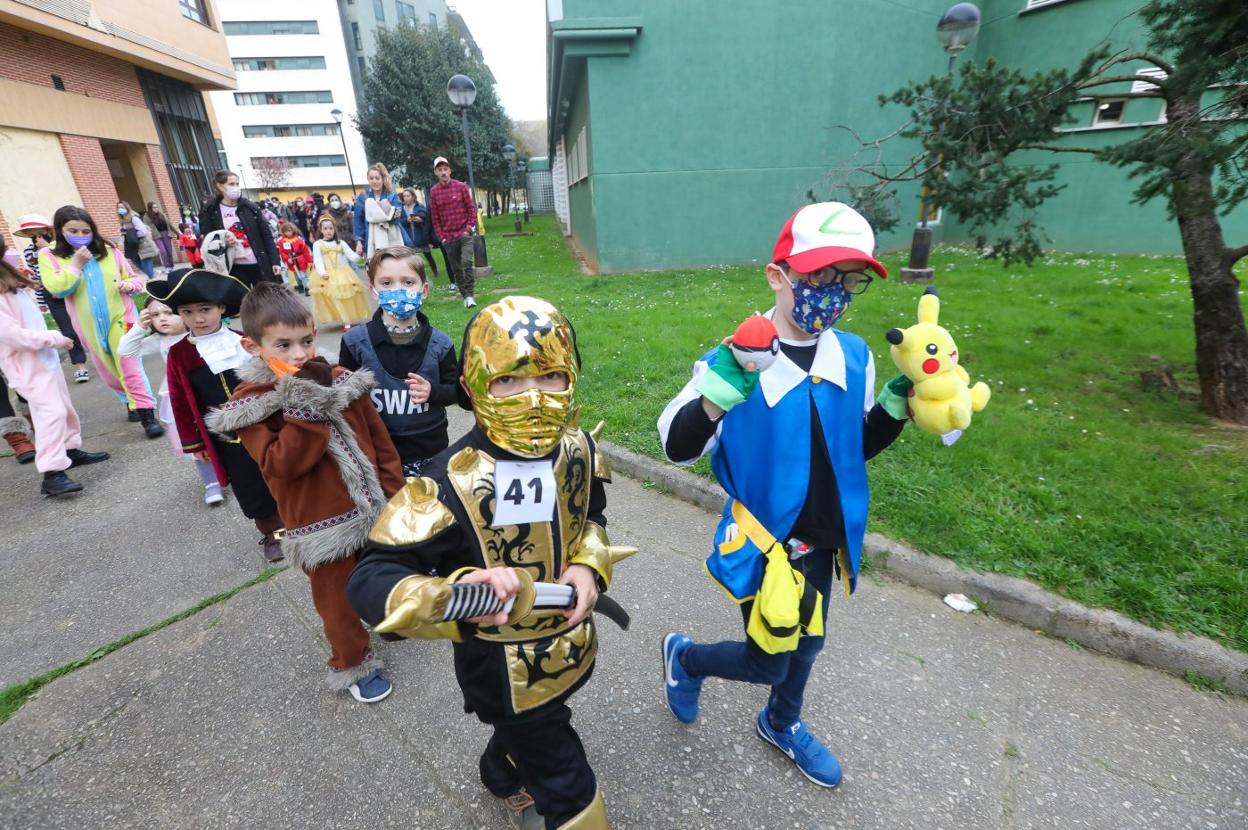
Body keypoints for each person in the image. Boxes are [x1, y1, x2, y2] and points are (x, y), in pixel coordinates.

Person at [347, 296, 633, 830]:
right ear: (477, 385)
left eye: (551, 376)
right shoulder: (442, 485)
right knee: (566, 781)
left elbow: (591, 515)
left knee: (532, 728)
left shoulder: (578, 450)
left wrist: (589, 566)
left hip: (571, 642)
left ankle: (501, 773)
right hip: (502, 667)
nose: (533, 398)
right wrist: (456, 592)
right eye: (508, 380)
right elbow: (372, 576)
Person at [656, 202, 910, 789]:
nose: (836, 292)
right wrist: (718, 395)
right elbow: (674, 445)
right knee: (768, 658)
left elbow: (850, 449)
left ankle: (781, 721)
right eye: (821, 276)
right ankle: (685, 657)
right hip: (767, 542)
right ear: (778, 275)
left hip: (825, 537)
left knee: (811, 643)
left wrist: (892, 411)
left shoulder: (854, 356)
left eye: (851, 280)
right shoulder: (738, 358)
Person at [206, 282, 404, 701]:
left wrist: (396, 491)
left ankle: (389, 615)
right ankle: (352, 661)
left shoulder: (338, 380)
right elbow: (283, 463)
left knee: (385, 571)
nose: (300, 354)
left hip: (373, 507)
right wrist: (306, 402)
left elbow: (379, 439)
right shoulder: (253, 404)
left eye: (308, 341)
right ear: (252, 345)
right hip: (320, 525)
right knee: (337, 601)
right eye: (284, 345)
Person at [145, 268, 285, 563]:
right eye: (188, 311)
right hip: (227, 439)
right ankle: (273, 532)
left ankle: (297, 518)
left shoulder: (243, 340)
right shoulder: (180, 354)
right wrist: (194, 444)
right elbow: (181, 402)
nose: (198, 318)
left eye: (205, 309)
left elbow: (273, 375)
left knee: (280, 473)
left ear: (222, 307)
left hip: (265, 427)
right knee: (250, 486)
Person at [39, 205, 164, 438]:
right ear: (60, 230)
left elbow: (135, 278)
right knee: (108, 368)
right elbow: (58, 288)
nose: (79, 235)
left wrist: (130, 285)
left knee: (128, 363)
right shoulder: (49, 255)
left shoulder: (108, 249)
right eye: (72, 231)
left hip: (121, 316)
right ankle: (128, 400)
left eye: (85, 230)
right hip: (87, 325)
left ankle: (147, 415)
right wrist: (75, 265)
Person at [0, 243, 109, 496]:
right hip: (26, 363)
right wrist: (55, 338)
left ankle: (69, 449)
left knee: (63, 406)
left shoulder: (9, 284)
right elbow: (14, 337)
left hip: (43, 358)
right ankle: (52, 473)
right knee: (51, 413)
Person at [338, 248, 456, 478]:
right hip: (380, 455)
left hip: (431, 450)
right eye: (387, 283)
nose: (398, 290)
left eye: (408, 282)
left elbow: (456, 392)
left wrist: (434, 392)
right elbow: (345, 398)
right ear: (373, 290)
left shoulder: (441, 344)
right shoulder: (354, 343)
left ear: (424, 290)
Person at [118, 295, 224, 506]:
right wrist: (140, 326)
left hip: (209, 394)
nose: (162, 319)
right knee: (194, 440)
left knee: (221, 433)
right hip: (179, 399)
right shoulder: (160, 340)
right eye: (155, 315)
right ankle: (211, 482)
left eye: (168, 312)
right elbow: (125, 350)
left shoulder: (201, 334)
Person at [13, 214, 90, 384]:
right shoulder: (28, 252)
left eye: (39, 233)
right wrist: (41, 301)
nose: (36, 238)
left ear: (48, 230)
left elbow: (71, 266)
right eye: (31, 235)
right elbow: (39, 278)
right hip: (51, 293)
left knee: (85, 323)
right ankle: (80, 366)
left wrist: (47, 248)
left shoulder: (63, 246)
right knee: (67, 329)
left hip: (71, 286)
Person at [197, 170, 282, 287]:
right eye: (231, 184)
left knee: (266, 301)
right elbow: (207, 240)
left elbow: (266, 236)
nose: (236, 187)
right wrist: (222, 241)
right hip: (233, 267)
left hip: (259, 264)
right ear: (220, 186)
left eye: (237, 184)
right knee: (241, 302)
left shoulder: (250, 207)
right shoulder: (210, 211)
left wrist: (275, 261)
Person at [428, 156, 478, 308]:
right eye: (440, 170)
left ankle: (470, 294)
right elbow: (435, 218)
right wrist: (442, 237)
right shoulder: (434, 192)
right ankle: (465, 296)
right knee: (456, 269)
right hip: (448, 238)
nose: (443, 172)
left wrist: (469, 227)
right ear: (436, 172)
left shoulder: (461, 187)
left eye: (445, 169)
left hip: (464, 234)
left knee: (467, 262)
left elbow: (471, 208)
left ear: (449, 170)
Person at [310, 215, 370, 330]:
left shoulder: (341, 243)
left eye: (331, 228)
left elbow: (352, 257)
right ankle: (343, 318)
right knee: (335, 297)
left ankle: (347, 320)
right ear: (321, 230)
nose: (328, 231)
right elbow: (317, 260)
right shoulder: (317, 244)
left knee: (345, 297)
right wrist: (322, 273)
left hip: (344, 274)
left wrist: (359, 254)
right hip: (328, 275)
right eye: (325, 228)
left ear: (334, 229)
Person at [352, 163, 405, 259]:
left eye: (377, 178)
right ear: (368, 179)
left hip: (392, 238)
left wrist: (384, 212)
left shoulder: (392, 196)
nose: (374, 181)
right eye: (371, 178)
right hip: (371, 240)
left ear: (383, 179)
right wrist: (359, 241)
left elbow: (397, 216)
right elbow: (358, 221)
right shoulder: (363, 197)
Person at [398, 188, 440, 282]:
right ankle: (415, 276)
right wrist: (406, 220)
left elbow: (425, 215)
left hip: (420, 235)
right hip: (408, 237)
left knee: (428, 255)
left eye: (408, 196)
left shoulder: (419, 206)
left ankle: (435, 271)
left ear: (413, 197)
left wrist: (419, 218)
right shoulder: (401, 208)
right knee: (410, 258)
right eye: (404, 196)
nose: (406, 198)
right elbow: (399, 221)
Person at [117, 200, 159, 278]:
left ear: (127, 207)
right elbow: (124, 233)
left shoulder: (133, 217)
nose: (120, 209)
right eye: (118, 208)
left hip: (143, 244)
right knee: (135, 261)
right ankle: (152, 274)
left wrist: (129, 234)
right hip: (132, 246)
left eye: (122, 207)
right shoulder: (123, 220)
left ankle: (153, 278)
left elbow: (143, 231)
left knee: (145, 263)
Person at [276, 222, 312, 295]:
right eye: (286, 231)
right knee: (297, 276)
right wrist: (287, 258)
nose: (288, 233)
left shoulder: (299, 240)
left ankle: (306, 288)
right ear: (283, 232)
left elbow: (305, 251)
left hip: (301, 260)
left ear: (293, 230)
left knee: (303, 275)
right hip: (292, 262)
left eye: (289, 231)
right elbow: (282, 252)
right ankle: (300, 286)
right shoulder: (282, 242)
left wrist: (310, 261)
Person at [145, 202, 175, 269]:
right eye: (154, 207)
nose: (156, 209)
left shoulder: (162, 215)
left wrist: (177, 233)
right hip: (156, 236)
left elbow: (170, 224)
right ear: (150, 208)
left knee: (169, 251)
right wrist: (149, 236)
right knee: (163, 251)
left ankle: (171, 266)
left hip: (166, 234)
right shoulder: (146, 216)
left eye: (157, 207)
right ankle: (167, 267)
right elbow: (146, 227)